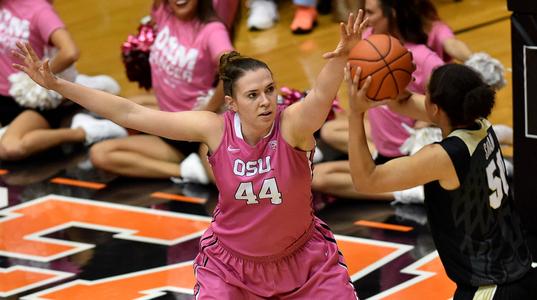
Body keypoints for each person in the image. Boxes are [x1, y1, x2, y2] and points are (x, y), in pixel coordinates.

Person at [13, 10, 368, 299]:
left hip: (303, 263)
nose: (265, 101)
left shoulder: (292, 125)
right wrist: (60, 85)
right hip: (232, 269)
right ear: (231, 104)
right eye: (253, 95)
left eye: (270, 90)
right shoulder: (214, 129)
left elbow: (320, 99)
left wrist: (341, 57)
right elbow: (130, 114)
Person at [347, 63, 536, 299]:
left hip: (491, 288)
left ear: (435, 109)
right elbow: (402, 103)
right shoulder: (479, 123)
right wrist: (367, 65)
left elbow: (366, 180)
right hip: (518, 270)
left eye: (425, 91)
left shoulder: (445, 157)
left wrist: (355, 113)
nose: (419, 94)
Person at [312, 0, 444, 203]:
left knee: (317, 177)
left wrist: (423, 123)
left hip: (407, 152)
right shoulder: (368, 41)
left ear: (392, 14)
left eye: (371, 13)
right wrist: (346, 53)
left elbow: (448, 102)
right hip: (383, 145)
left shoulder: (423, 57)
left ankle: (408, 192)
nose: (366, 19)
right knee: (328, 133)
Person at [89, 0, 234, 184]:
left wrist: (208, 108)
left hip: (199, 131)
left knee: (226, 185)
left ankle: (202, 167)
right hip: (168, 127)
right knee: (100, 153)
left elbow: (232, 71)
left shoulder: (212, 30)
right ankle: (187, 171)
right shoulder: (164, 13)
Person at [0, 0, 126, 161]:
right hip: (5, 99)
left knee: (10, 148)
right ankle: (81, 90)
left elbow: (70, 52)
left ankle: (85, 131)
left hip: (35, 102)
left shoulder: (38, 9)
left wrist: (38, 76)